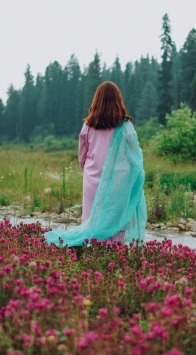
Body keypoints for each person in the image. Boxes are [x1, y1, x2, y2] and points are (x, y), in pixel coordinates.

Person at [44, 81, 147, 248]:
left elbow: (82, 155)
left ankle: (93, 252)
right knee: (116, 216)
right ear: (118, 100)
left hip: (92, 179)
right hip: (118, 182)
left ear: (96, 100)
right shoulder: (125, 126)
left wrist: (87, 171)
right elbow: (134, 156)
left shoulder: (88, 125)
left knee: (92, 217)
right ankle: (114, 252)